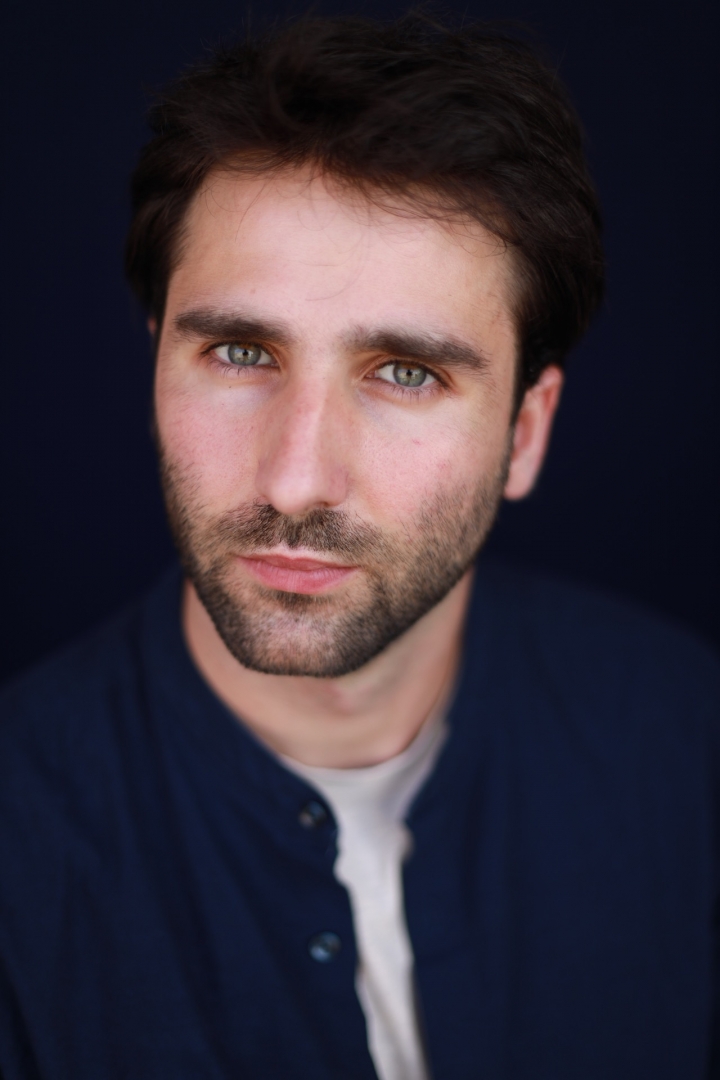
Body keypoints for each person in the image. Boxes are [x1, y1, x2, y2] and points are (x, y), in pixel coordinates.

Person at [0, 12, 717, 1079]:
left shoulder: (687, 744)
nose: (295, 480)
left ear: (524, 434)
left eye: (407, 374)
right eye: (240, 353)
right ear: (156, 370)